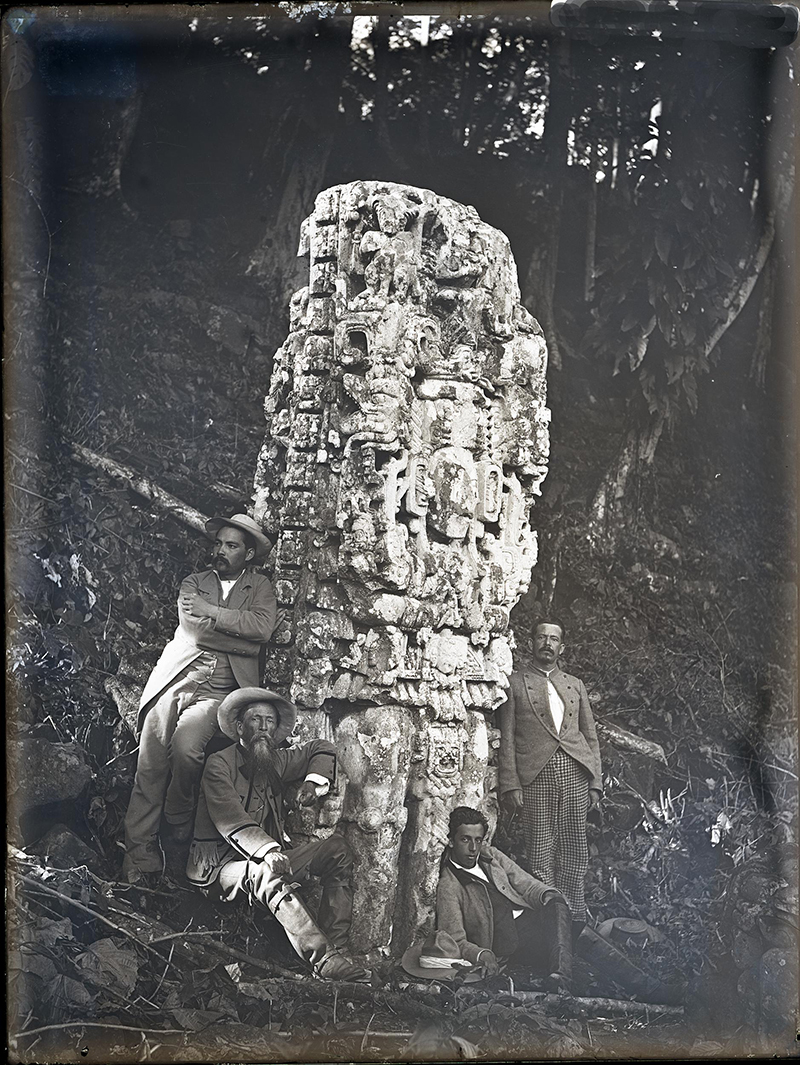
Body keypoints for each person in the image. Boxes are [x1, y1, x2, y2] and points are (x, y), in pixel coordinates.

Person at [123, 513, 277, 882]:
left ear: (249, 553)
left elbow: (263, 628)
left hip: (221, 691)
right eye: (218, 543)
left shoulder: (260, 588)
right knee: (151, 761)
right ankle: (137, 855)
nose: (220, 551)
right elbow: (195, 634)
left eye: (231, 545)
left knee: (187, 748)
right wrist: (243, 643)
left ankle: (178, 816)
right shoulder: (194, 582)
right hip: (175, 679)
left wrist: (214, 614)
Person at [187, 687, 368, 982]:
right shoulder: (219, 764)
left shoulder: (275, 761)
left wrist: (311, 783)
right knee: (263, 874)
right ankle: (322, 961)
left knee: (337, 849)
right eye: (255, 720)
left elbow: (321, 747)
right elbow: (229, 818)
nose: (263, 728)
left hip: (269, 856)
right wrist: (269, 851)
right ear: (239, 727)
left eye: (269, 722)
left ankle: (337, 949)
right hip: (220, 868)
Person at [497, 618, 602, 940]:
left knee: (574, 850)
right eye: (541, 637)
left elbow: (590, 736)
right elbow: (508, 737)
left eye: (553, 639)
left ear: (561, 647)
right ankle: (550, 930)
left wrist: (596, 782)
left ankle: (576, 924)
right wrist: (511, 784)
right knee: (540, 851)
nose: (547, 643)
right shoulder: (514, 683)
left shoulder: (575, 684)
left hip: (575, 773)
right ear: (531, 643)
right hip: (535, 775)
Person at [434, 806, 573, 990]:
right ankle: (563, 976)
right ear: (451, 841)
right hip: (510, 943)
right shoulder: (449, 885)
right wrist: (481, 954)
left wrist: (545, 894)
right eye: (465, 840)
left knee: (557, 904)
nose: (473, 848)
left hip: (531, 922)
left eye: (478, 840)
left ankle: (561, 975)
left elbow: (526, 883)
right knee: (581, 941)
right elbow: (454, 940)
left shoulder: (491, 856)